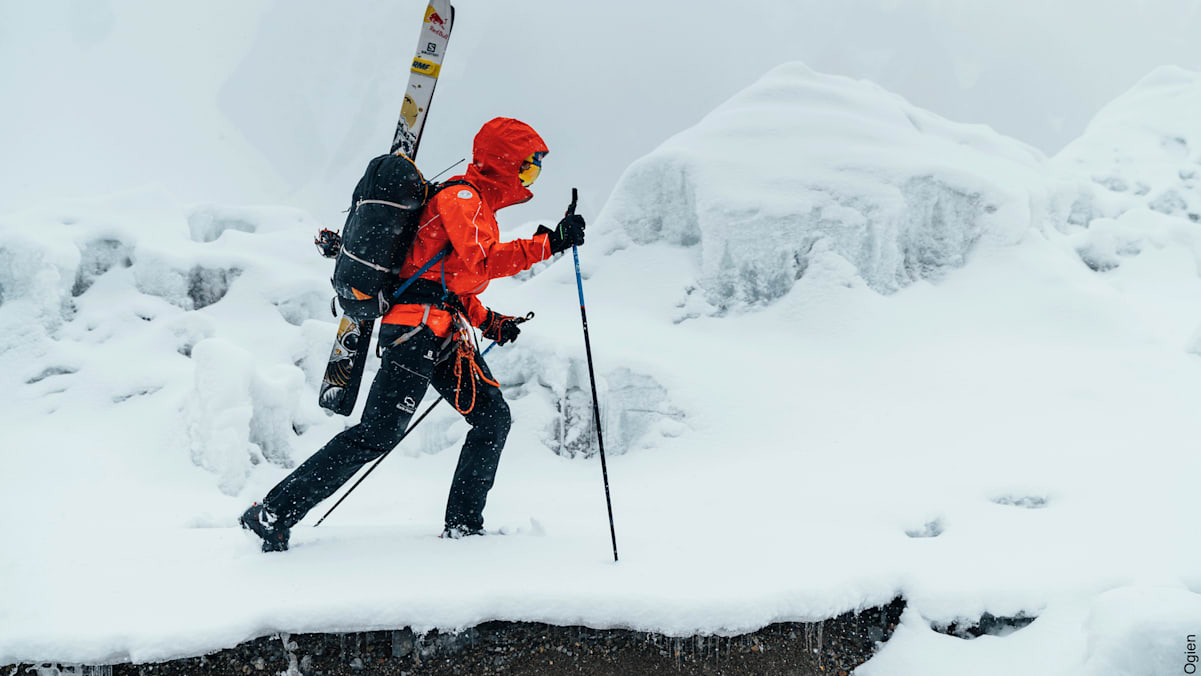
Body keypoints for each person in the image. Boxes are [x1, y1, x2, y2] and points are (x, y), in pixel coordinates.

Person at [239, 117, 586, 551]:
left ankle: (463, 527)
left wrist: (490, 321)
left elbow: (448, 279)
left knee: (493, 419)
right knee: (378, 432)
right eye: (527, 166)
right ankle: (273, 512)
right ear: (504, 162)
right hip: (415, 332)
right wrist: (548, 244)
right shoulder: (462, 197)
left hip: (441, 333)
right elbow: (479, 264)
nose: (530, 176)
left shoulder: (478, 205)